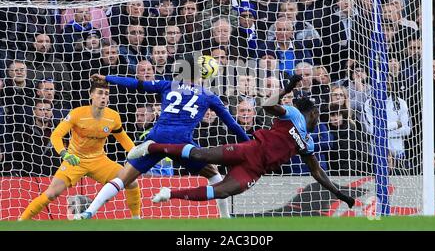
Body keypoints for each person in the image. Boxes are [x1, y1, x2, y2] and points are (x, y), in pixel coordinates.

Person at [138, 74, 355, 208]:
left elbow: (317, 172)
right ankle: (152, 147)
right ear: (314, 114)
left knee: (221, 191)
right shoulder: (293, 114)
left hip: (255, 170)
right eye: (318, 114)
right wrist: (287, 88)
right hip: (249, 149)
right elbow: (268, 106)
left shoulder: (308, 144)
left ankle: (169, 194)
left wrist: (339, 193)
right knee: (200, 155)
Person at [76, 55, 250, 219]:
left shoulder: (168, 84)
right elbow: (232, 125)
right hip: (182, 143)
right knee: (214, 175)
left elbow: (136, 84)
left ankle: (89, 212)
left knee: (122, 179)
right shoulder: (209, 96)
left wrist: (108, 78)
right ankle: (225, 217)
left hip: (157, 138)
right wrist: (250, 143)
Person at [19, 80, 141, 220]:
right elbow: (56, 135)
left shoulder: (113, 116)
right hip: (75, 160)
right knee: (52, 193)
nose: (104, 97)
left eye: (106, 94)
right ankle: (21, 221)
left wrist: (136, 153)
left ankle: (136, 220)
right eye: (100, 93)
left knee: (132, 181)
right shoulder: (77, 114)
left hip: (99, 161)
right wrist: (64, 153)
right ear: (91, 95)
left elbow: (123, 138)